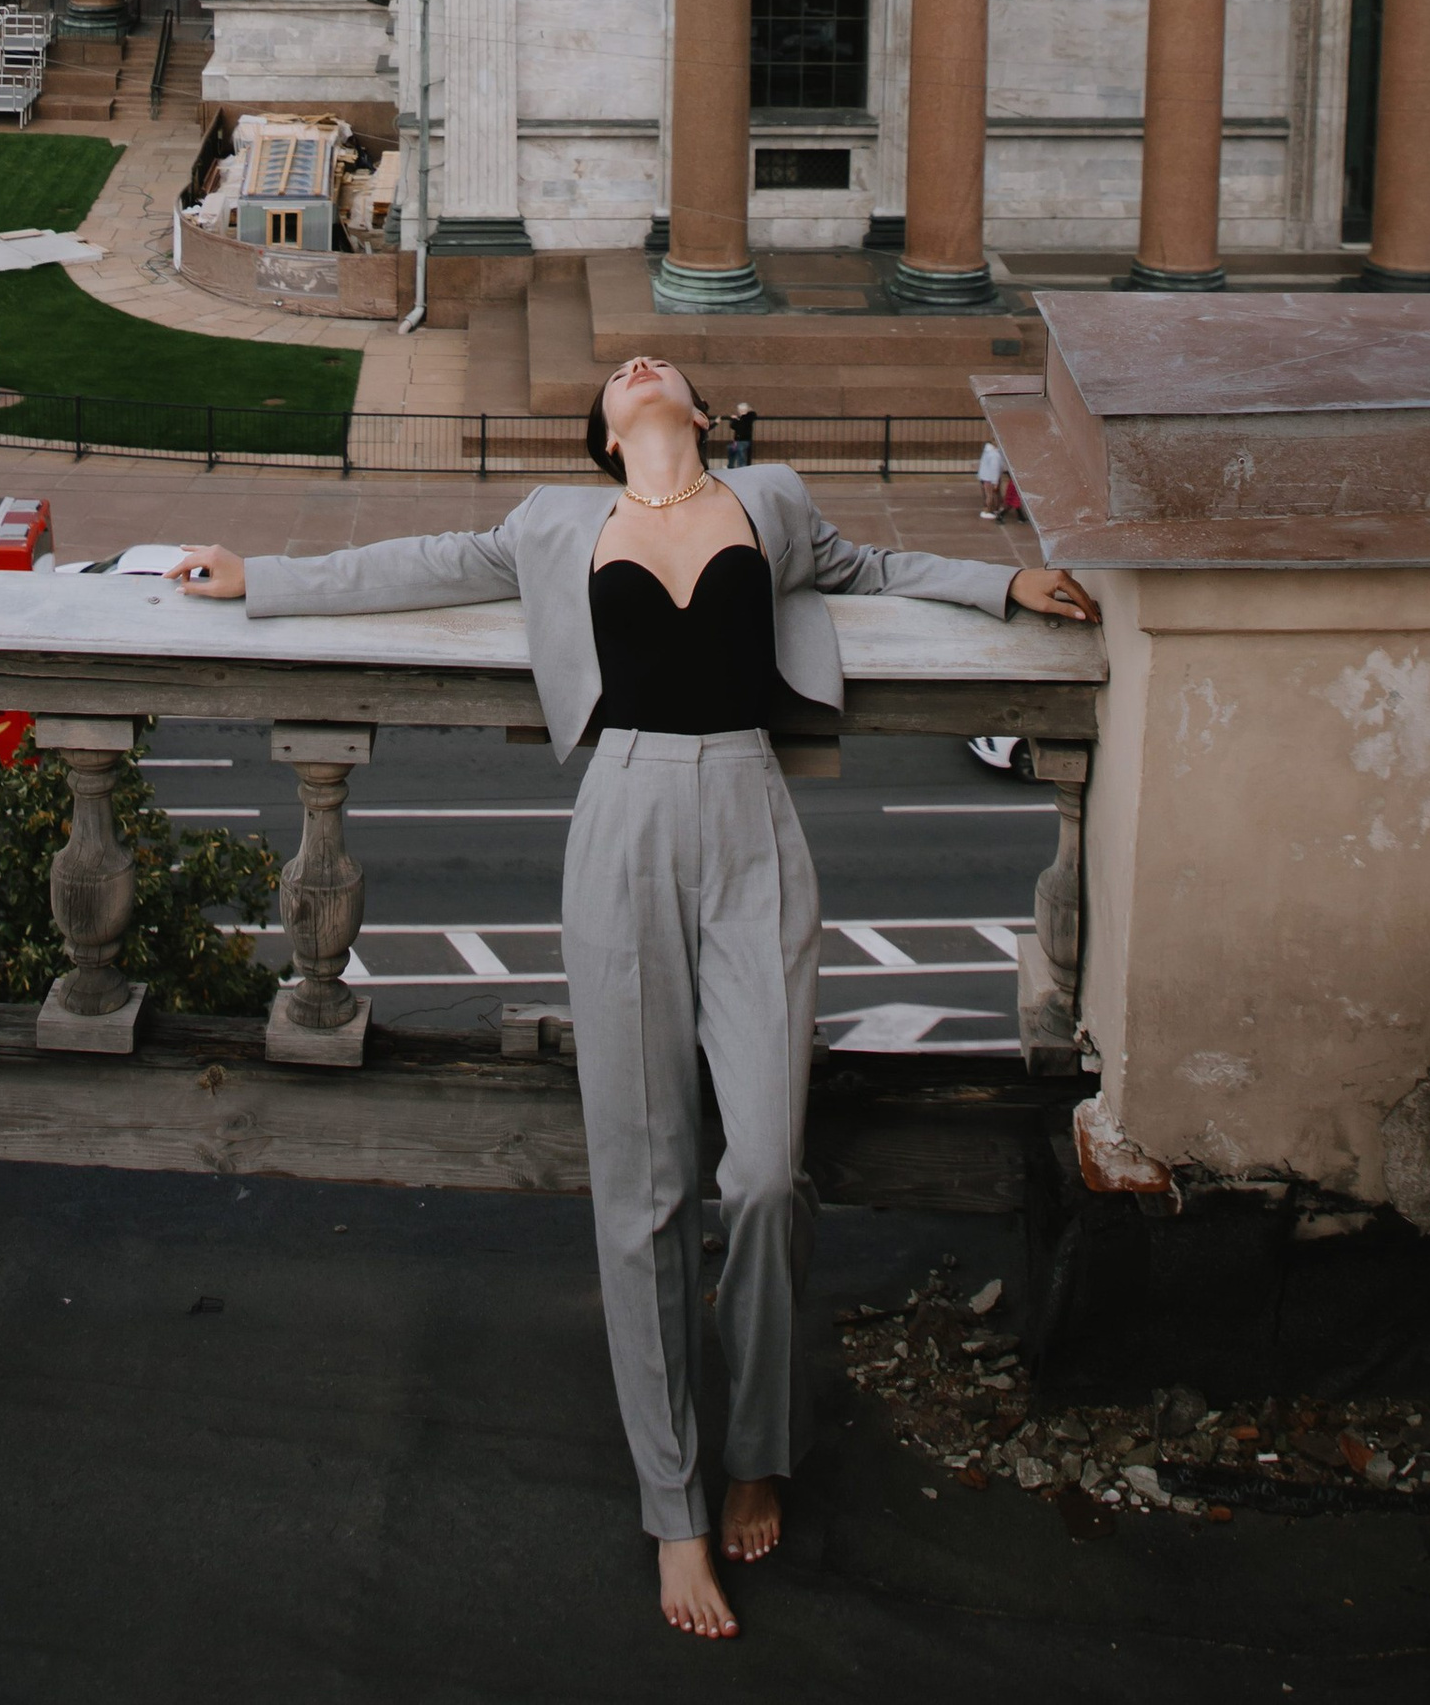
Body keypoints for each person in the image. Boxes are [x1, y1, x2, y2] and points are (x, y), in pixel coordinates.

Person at [168, 354, 1098, 1641]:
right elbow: (422, 562)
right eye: (619, 373)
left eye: (660, 366)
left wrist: (1005, 579)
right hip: (619, 820)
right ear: (605, 431)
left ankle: (758, 1440)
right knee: (643, 1189)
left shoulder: (768, 502)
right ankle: (673, 1505)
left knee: (766, 1172)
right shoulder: (556, 522)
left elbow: (874, 570)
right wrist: (258, 576)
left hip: (750, 820)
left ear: (702, 416)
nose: (641, 369)